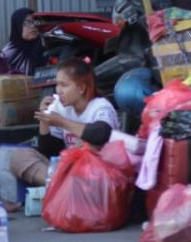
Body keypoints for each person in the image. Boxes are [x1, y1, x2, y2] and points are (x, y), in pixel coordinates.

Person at [8, 58, 119, 187]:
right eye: (57, 84)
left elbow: (102, 134)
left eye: (64, 85)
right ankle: (59, 185)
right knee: (19, 156)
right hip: (67, 170)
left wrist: (62, 122)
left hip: (96, 173)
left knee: (90, 147)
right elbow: (50, 152)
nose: (58, 90)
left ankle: (61, 186)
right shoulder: (61, 107)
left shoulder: (100, 106)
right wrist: (44, 121)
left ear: (81, 88)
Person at [2, 8, 44, 76]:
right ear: (17, 26)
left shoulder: (43, 45)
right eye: (27, 22)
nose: (33, 26)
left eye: (35, 22)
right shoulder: (8, 52)